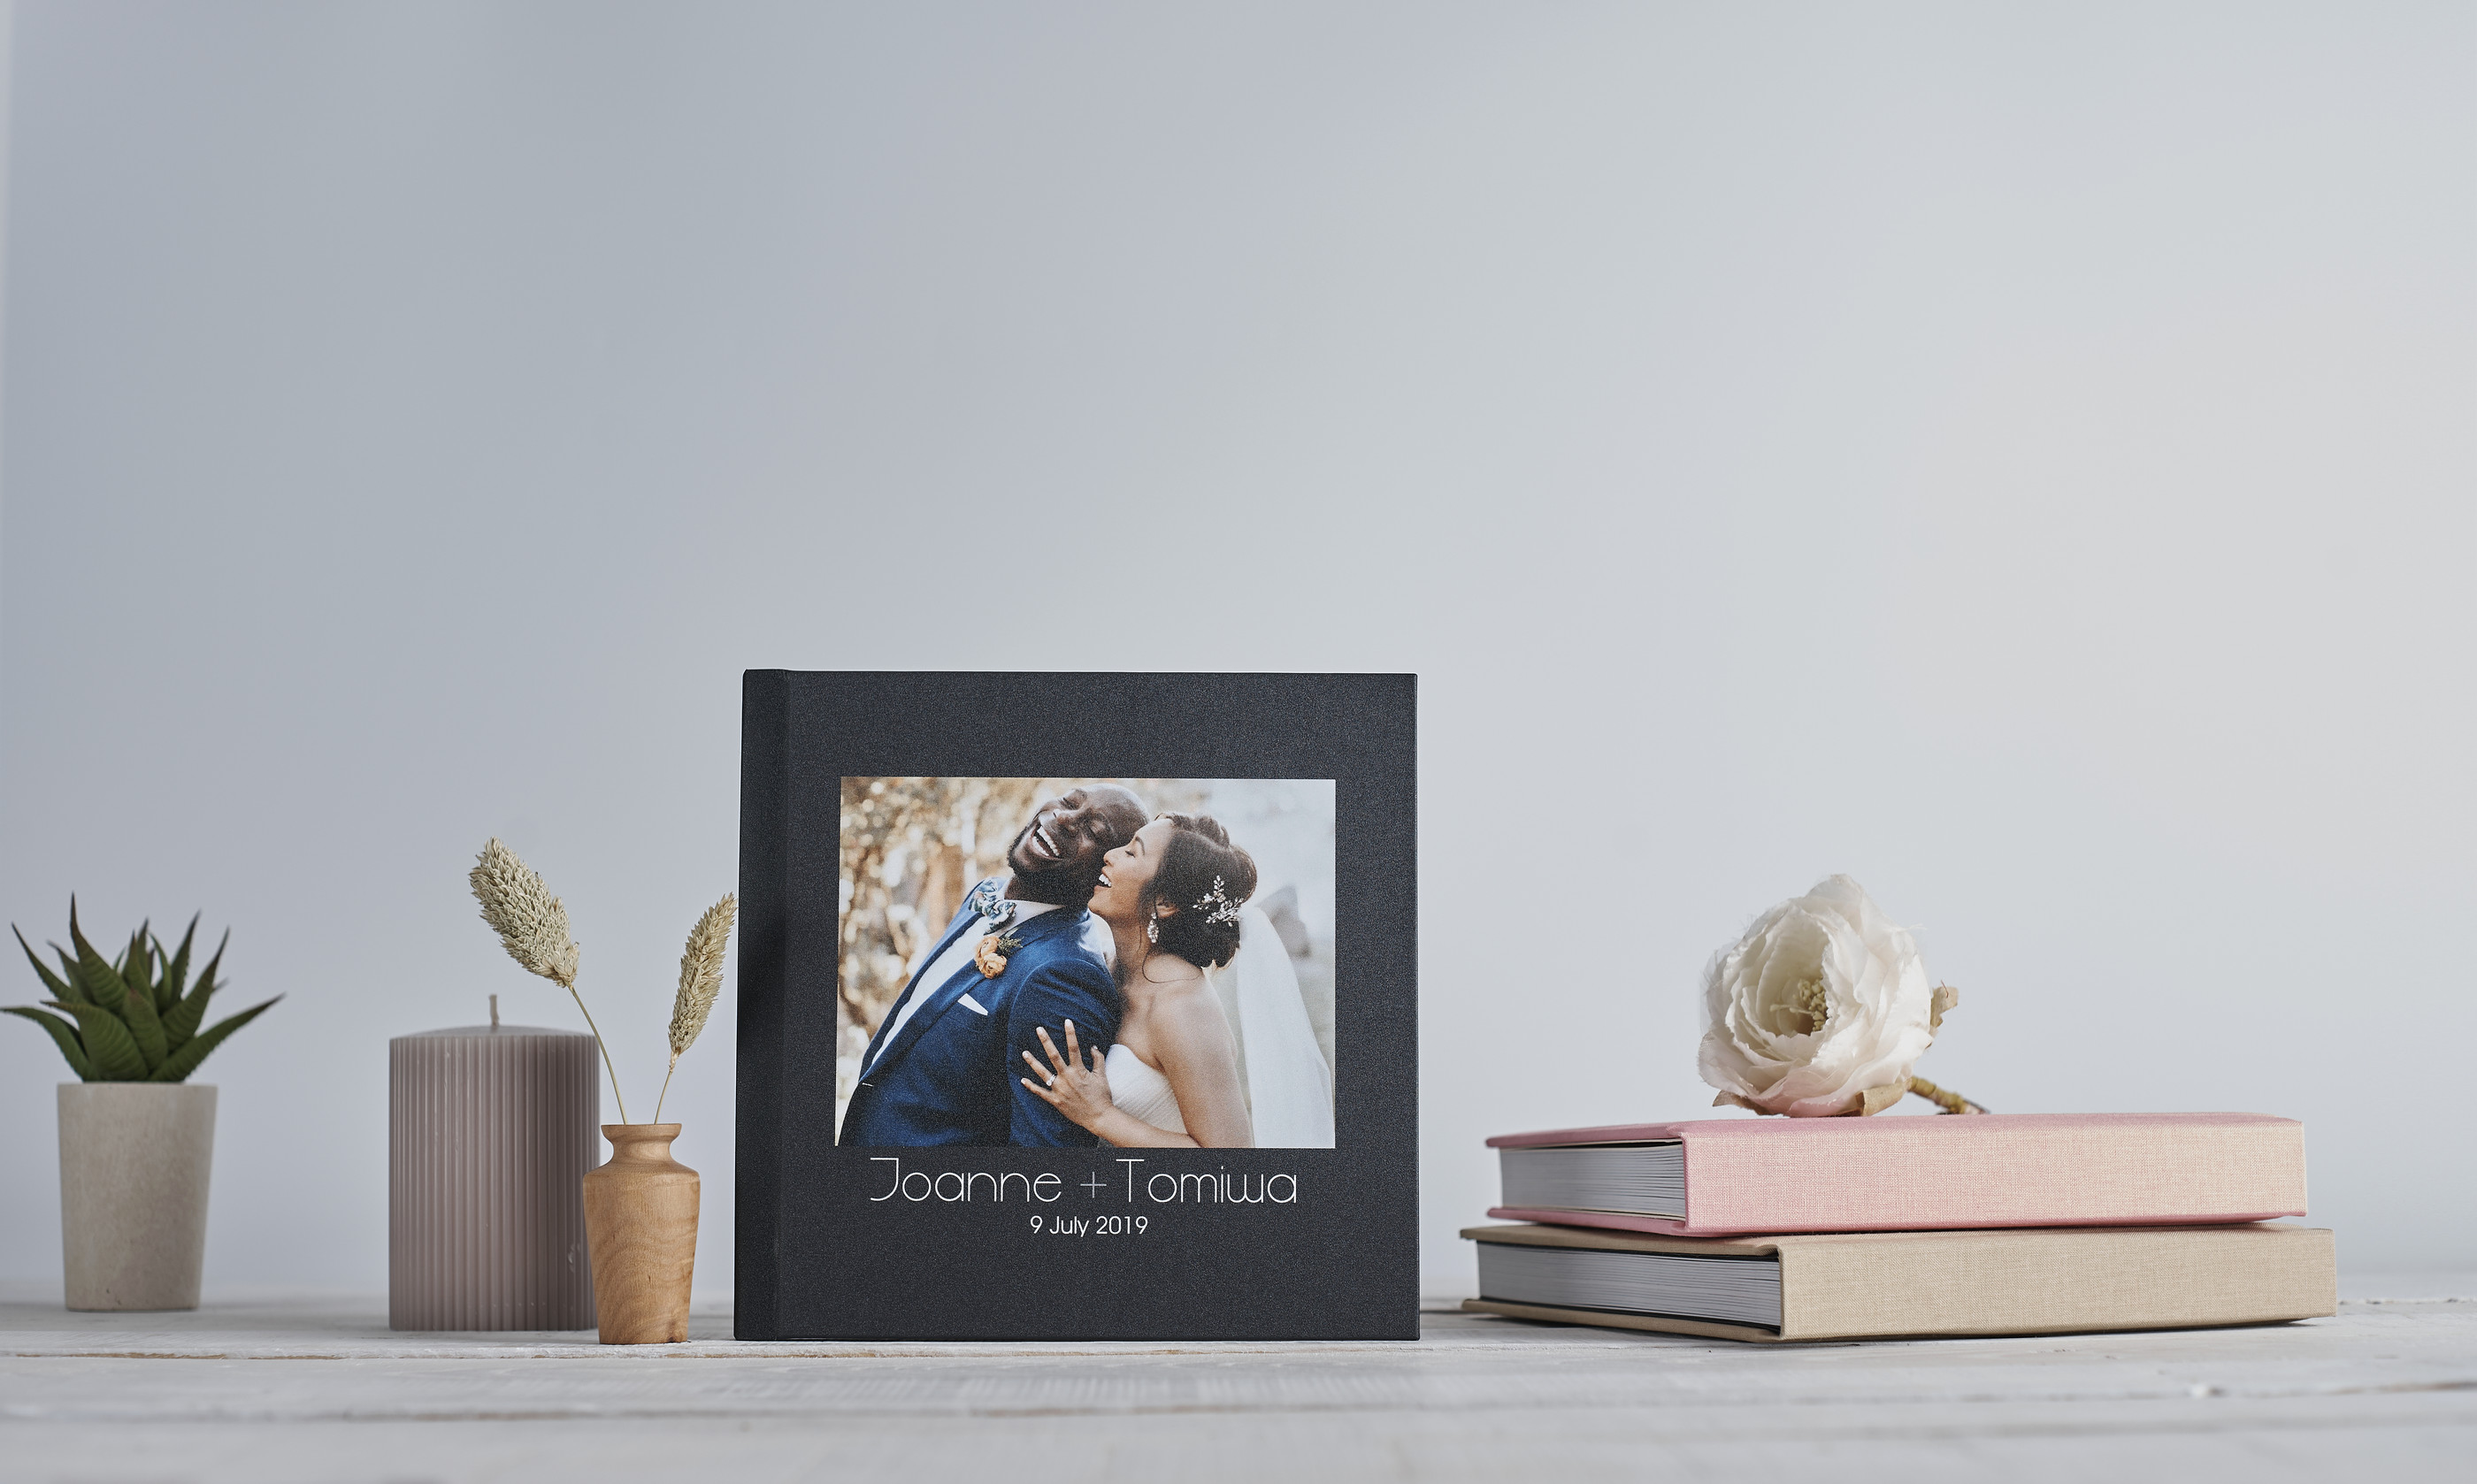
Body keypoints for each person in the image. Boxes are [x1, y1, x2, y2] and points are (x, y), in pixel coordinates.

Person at [839, 784, 1147, 1147]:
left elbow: (1042, 1161)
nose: (1064, 818)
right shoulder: (985, 893)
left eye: (1093, 831)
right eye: (1069, 802)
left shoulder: (1066, 977)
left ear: (1106, 870)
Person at [1023, 812, 1331, 1148]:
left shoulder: (1181, 1008)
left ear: (1165, 902)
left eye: (1131, 852)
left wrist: (1101, 1116)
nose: (1109, 854)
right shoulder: (1109, 966)